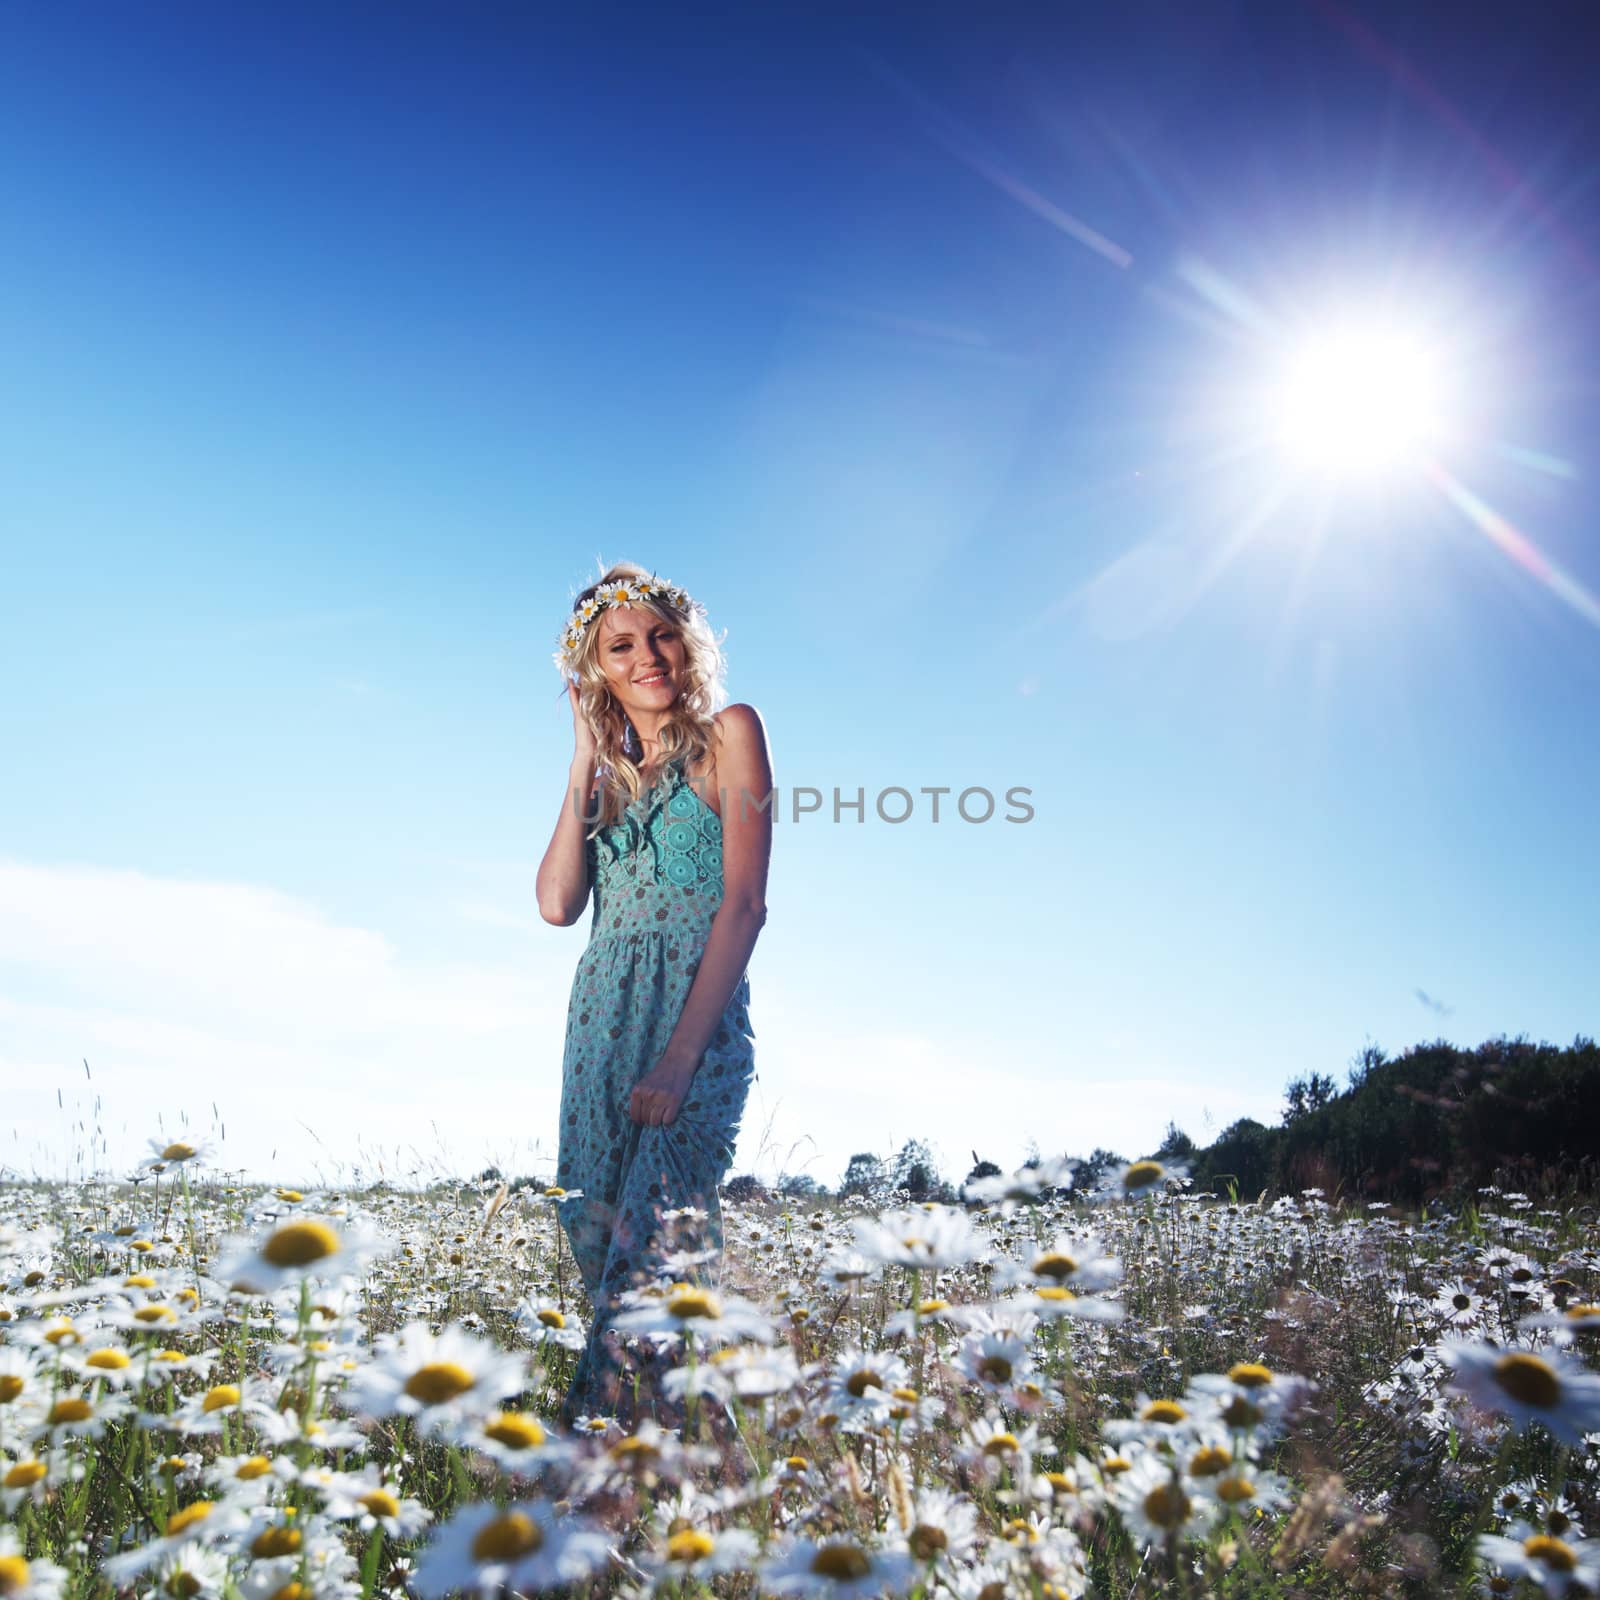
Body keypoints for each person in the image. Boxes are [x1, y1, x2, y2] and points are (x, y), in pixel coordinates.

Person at [536, 560, 773, 1430]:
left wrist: (681, 1059)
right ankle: (696, 1474)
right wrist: (582, 761)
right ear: (597, 669)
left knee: (652, 1266)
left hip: (693, 1029)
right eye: (621, 645)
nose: (649, 656)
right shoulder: (602, 782)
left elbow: (744, 907)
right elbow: (559, 905)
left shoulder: (731, 736)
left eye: (662, 633)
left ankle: (573, 1495)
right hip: (600, 1030)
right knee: (607, 1265)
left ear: (689, 640)